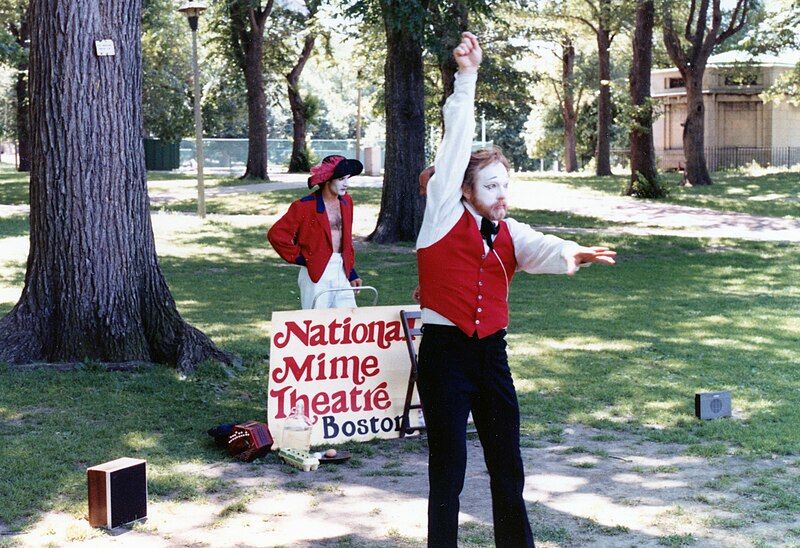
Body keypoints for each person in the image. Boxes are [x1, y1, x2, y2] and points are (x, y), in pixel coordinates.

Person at [415, 32, 616, 547]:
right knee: (449, 471)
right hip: (445, 354)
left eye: (506, 185)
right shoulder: (440, 216)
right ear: (463, 189)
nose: (501, 195)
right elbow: (455, 141)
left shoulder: (509, 230)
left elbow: (542, 247)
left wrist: (575, 253)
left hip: (492, 356)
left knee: (508, 463)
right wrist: (467, 78)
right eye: (490, 186)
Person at [268, 155, 364, 309]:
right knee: (316, 324)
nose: (346, 184)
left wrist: (351, 272)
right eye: (341, 179)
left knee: (348, 321)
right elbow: (277, 235)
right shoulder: (304, 206)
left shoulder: (347, 202)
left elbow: (344, 240)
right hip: (316, 273)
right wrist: (302, 258)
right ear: (327, 180)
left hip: (341, 269)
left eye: (348, 178)